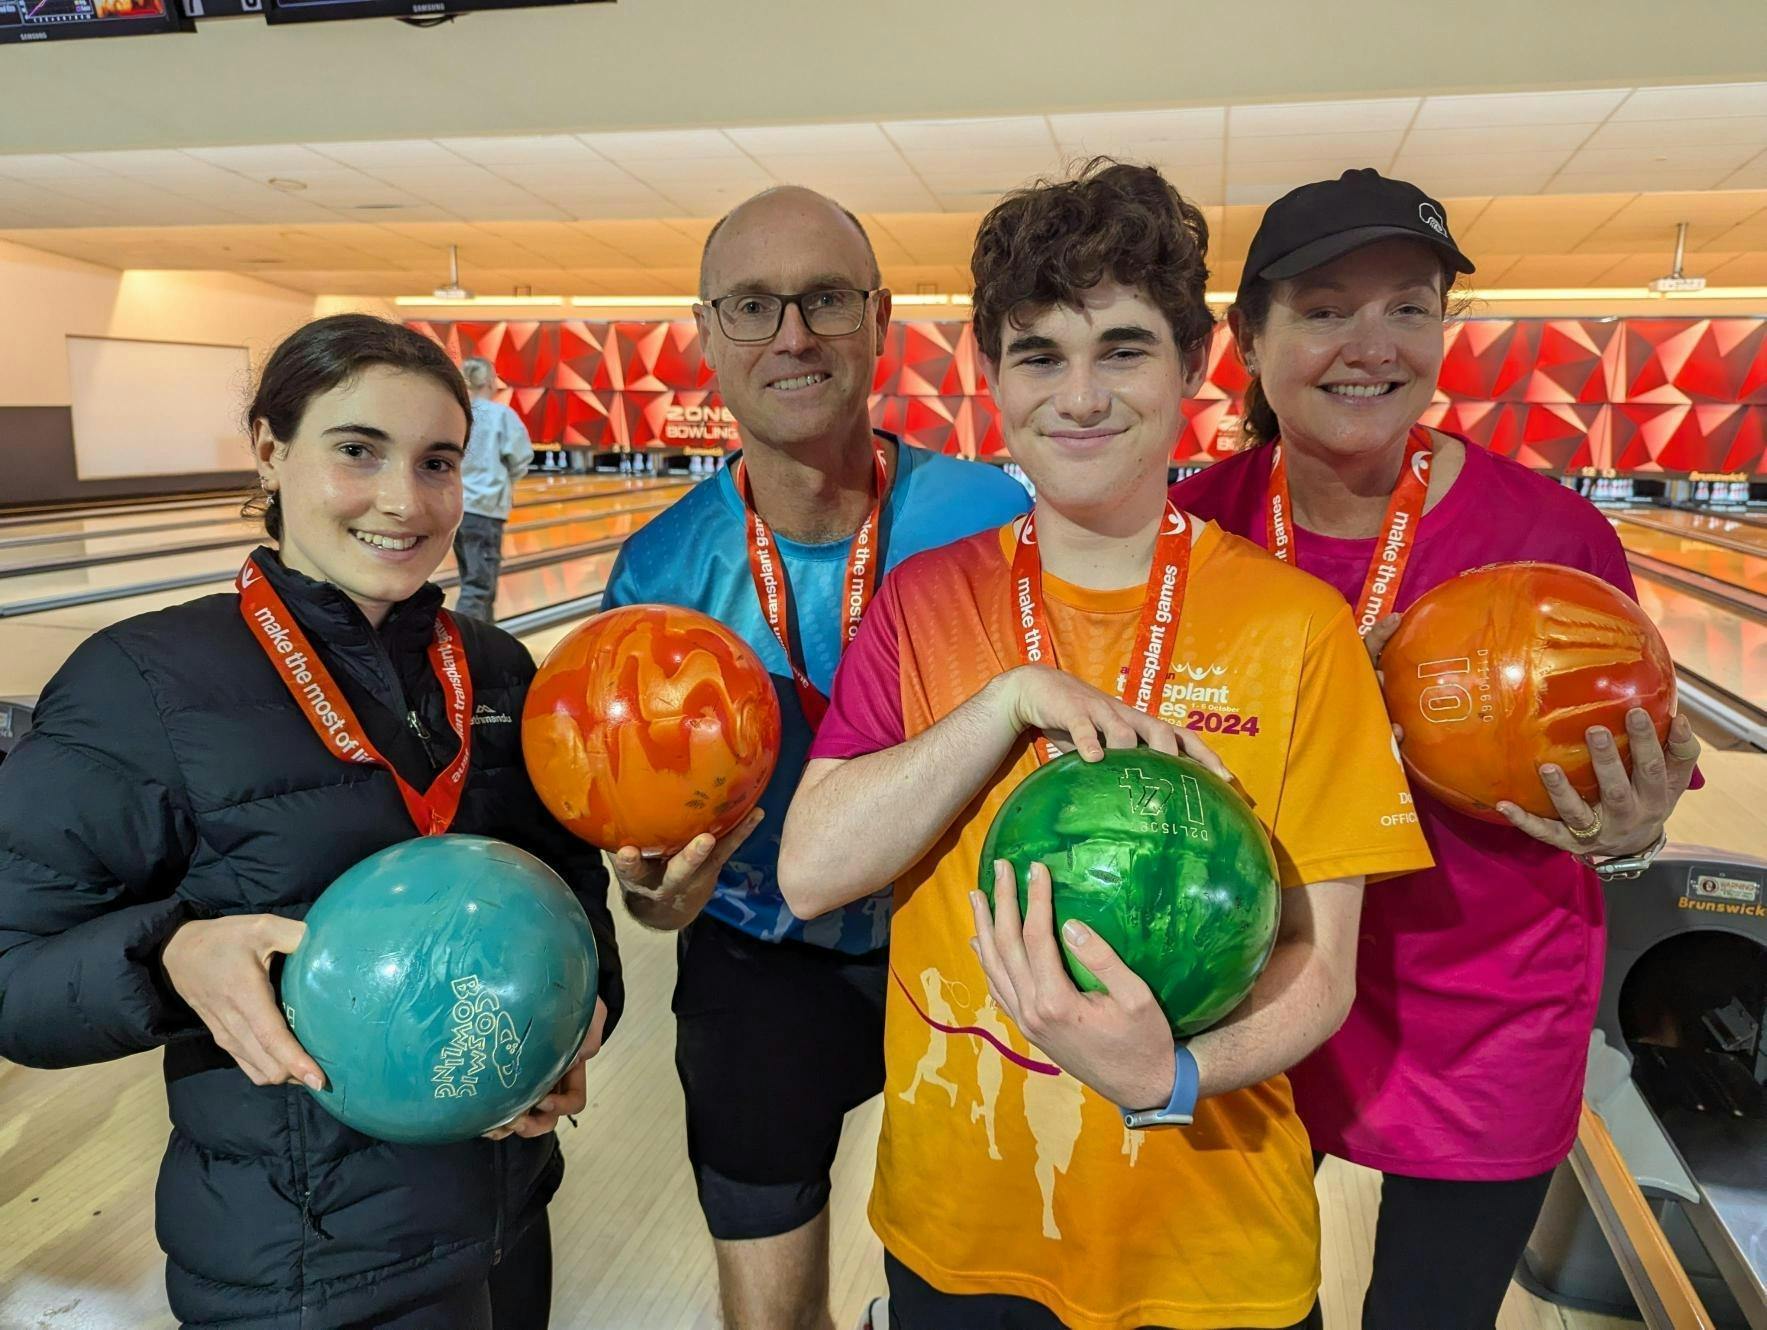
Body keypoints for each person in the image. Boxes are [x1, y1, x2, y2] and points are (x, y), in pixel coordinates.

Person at [778, 160, 1434, 1330]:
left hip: (1212, 1251)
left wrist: (1168, 1077)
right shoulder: (924, 604)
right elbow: (812, 868)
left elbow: (1317, 967)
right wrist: (1003, 703)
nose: (1079, 395)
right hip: (960, 1230)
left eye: (1123, 349)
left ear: (1194, 370)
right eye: (1039, 354)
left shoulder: (1298, 629)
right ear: (992, 380)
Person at [0, 314, 623, 1329]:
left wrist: (579, 1025)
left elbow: (572, 910)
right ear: (269, 449)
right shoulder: (143, 683)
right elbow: (13, 967)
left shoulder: (498, 672)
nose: (403, 500)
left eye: (437, 462)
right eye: (358, 451)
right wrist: (170, 958)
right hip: (303, 1265)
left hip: (507, 1218)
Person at [1169, 168, 1703, 1330]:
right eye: (1323, 308)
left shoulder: (1553, 537)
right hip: (1258, 998)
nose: (1373, 344)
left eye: (1409, 305)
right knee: (1224, 1311)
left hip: (1486, 1019)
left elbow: (1634, 786)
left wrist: (1632, 829)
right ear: (1248, 337)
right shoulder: (1192, 530)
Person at [597, 185, 1029, 1330]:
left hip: (968, 953)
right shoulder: (657, 571)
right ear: (706, 333)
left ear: (881, 319)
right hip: (756, 967)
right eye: (753, 305)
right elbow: (641, 861)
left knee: (978, 1303)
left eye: (826, 299)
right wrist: (650, 898)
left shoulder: (992, 516)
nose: (792, 334)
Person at [453, 355, 535, 621]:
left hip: (456, 510)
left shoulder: (456, 412)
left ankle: (485, 644)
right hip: (485, 512)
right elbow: (521, 457)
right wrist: (505, 482)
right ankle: (467, 647)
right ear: (489, 381)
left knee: (472, 580)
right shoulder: (501, 415)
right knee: (479, 587)